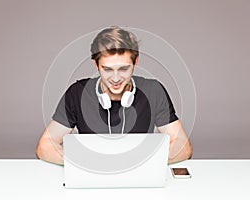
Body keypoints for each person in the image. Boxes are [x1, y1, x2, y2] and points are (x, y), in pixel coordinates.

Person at [36, 26, 193, 165]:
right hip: (92, 175)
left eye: (124, 69)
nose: (116, 78)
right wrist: (83, 164)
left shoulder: (153, 91)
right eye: (108, 69)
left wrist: (137, 163)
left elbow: (183, 147)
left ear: (135, 62)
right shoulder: (77, 93)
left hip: (138, 176)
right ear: (96, 65)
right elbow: (45, 146)